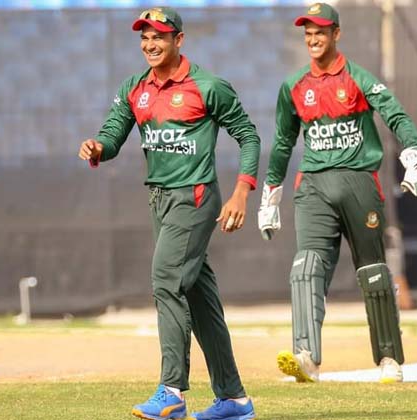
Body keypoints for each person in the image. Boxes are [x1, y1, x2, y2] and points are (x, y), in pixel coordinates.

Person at [77, 7, 259, 420]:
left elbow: (248, 135)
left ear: (179, 39)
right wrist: (98, 146)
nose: (150, 44)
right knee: (198, 297)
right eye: (144, 37)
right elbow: (113, 132)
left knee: (165, 279)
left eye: (158, 36)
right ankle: (234, 399)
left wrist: (241, 192)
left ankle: (171, 391)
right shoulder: (135, 87)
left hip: (195, 197)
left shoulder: (208, 86)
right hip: (159, 200)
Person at [257, 2, 417, 384]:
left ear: (336, 34)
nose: (313, 39)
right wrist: (271, 192)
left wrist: (415, 153)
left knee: (373, 272)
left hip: (359, 182)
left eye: (320, 32)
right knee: (306, 267)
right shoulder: (294, 87)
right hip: (313, 186)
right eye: (308, 33)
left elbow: (395, 115)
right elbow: (284, 142)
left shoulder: (358, 78)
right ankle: (307, 357)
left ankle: (389, 359)